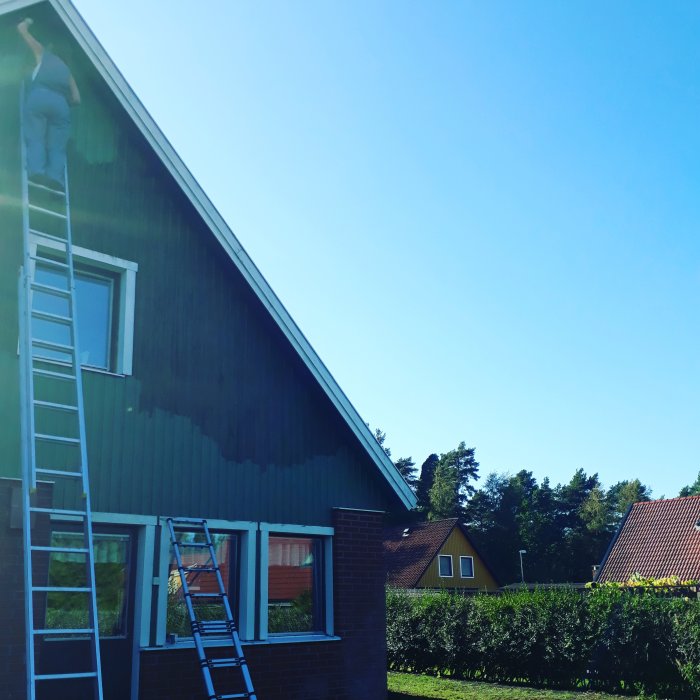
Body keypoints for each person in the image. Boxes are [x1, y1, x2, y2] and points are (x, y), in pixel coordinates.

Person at [17, 17, 80, 193]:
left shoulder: (43, 54)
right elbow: (77, 99)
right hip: (61, 107)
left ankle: (36, 172)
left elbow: (23, 32)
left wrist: (27, 22)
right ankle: (56, 179)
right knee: (57, 147)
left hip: (40, 97)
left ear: (51, 47)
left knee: (36, 137)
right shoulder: (68, 72)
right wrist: (60, 101)